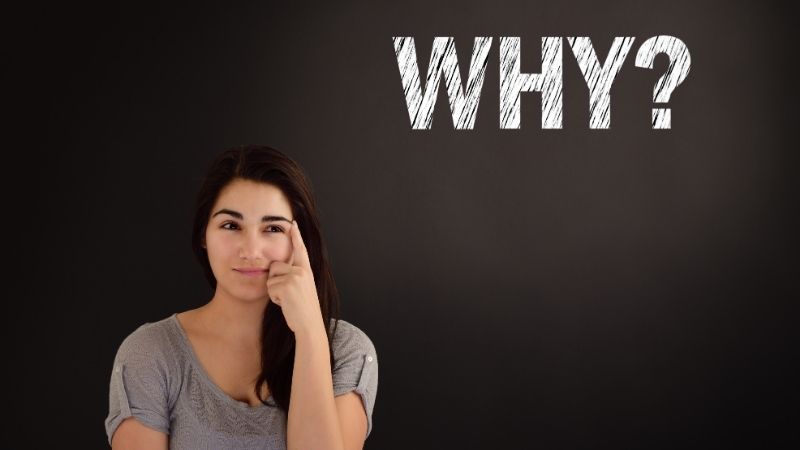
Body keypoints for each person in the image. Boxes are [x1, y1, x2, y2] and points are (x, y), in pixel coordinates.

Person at [104, 145, 378, 449]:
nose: (250, 251)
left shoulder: (347, 351)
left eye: (272, 228)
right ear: (203, 236)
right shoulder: (150, 354)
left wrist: (310, 332)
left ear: (301, 242)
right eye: (231, 226)